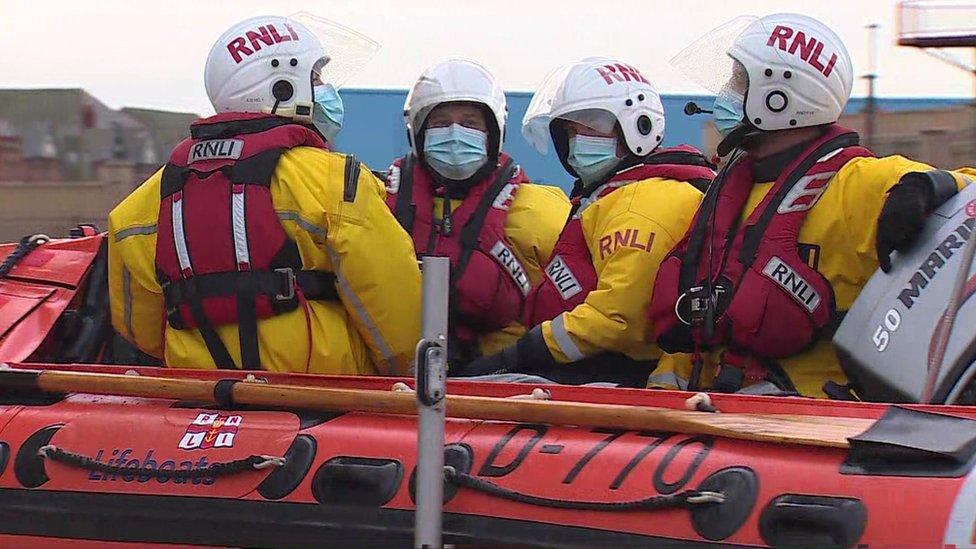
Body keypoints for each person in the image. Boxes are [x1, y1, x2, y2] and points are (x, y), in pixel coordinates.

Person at [648, 13, 976, 397]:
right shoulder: (730, 188)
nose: (726, 92)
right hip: (711, 407)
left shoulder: (858, 183)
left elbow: (969, 192)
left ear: (780, 95)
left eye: (740, 81)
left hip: (811, 418)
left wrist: (931, 185)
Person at [107, 14, 421, 375]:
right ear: (281, 86)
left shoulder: (142, 204)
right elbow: (397, 313)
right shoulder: (339, 181)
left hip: (202, 398)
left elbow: (141, 330)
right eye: (316, 79)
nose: (326, 90)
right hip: (326, 401)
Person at [456, 57, 715, 387]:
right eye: (570, 130)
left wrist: (525, 352)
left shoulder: (639, 204)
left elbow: (618, 318)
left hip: (623, 378)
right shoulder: (619, 195)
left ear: (638, 125)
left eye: (590, 125)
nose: (577, 139)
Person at [387, 58, 569, 365]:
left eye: (470, 123)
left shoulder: (544, 210)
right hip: (401, 380)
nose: (455, 134)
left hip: (503, 383)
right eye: (441, 123)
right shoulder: (380, 203)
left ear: (493, 133)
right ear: (416, 133)